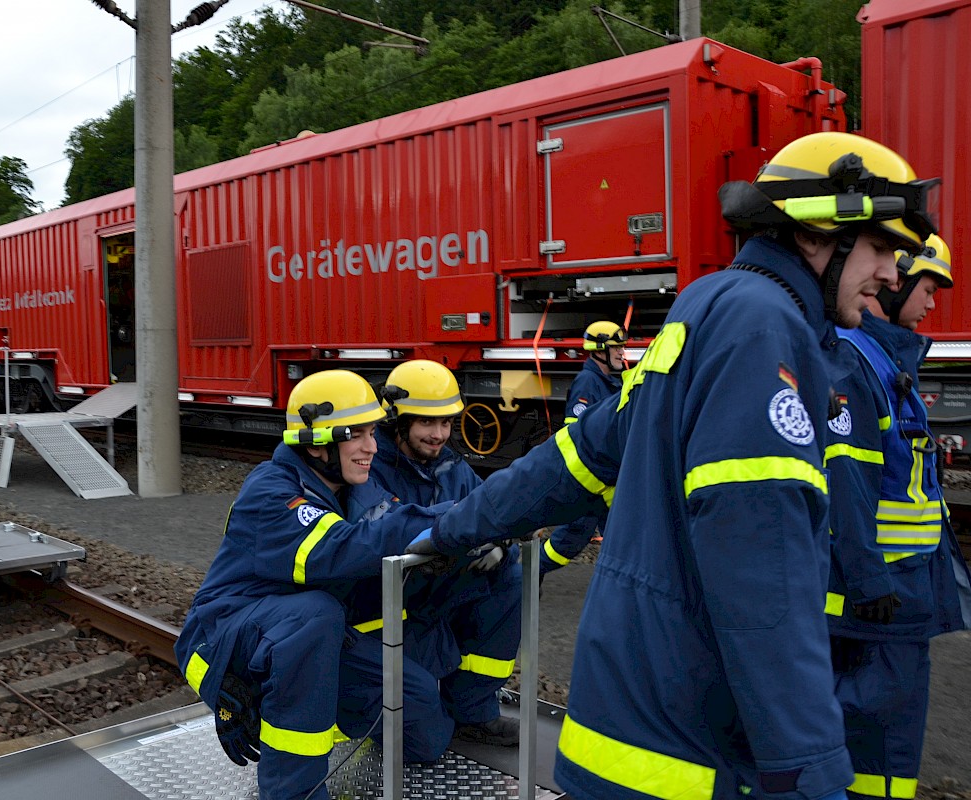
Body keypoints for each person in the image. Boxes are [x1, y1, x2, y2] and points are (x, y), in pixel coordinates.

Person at [406, 131, 938, 800]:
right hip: (690, 750)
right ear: (815, 235)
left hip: (626, 727)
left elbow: (579, 458)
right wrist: (811, 768)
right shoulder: (764, 328)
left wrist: (454, 527)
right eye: (882, 248)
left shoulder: (707, 304)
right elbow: (759, 570)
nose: (893, 275)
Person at [174, 369, 454, 800]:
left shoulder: (353, 488)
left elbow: (399, 524)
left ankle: (301, 710)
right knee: (316, 614)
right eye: (356, 435)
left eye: (373, 432)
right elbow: (344, 547)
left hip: (304, 637)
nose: (371, 447)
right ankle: (293, 789)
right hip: (227, 638)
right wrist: (460, 518)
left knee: (421, 723)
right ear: (319, 441)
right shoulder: (271, 493)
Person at [825, 235, 971, 799]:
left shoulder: (883, 356)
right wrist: (868, 579)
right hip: (881, 597)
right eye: (929, 288)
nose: (932, 305)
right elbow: (848, 481)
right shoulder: (857, 358)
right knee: (878, 746)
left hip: (892, 589)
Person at [368, 359, 522, 746]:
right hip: (389, 607)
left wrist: (501, 543)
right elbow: (382, 536)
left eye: (446, 423)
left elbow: (489, 509)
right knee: (427, 741)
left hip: (435, 590)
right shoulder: (369, 466)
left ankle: (473, 711)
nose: (439, 435)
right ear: (397, 421)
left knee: (511, 575)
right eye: (426, 423)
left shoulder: (451, 466)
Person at [540, 321, 628, 575]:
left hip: (605, 476)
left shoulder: (609, 380)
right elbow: (577, 432)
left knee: (617, 534)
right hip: (589, 477)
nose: (622, 352)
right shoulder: (588, 382)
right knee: (576, 532)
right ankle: (527, 574)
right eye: (617, 348)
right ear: (600, 351)